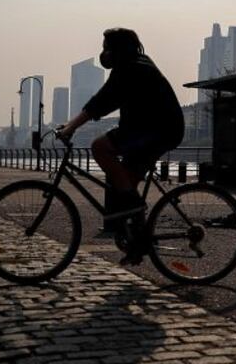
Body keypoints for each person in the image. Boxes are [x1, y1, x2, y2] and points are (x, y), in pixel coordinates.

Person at [56, 27, 184, 264]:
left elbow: (101, 102)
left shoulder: (131, 68)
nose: (103, 53)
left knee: (99, 147)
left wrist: (71, 127)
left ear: (118, 50)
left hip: (155, 129)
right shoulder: (135, 63)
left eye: (106, 48)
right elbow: (104, 101)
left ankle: (136, 209)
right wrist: (71, 124)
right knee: (126, 182)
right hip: (151, 128)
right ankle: (139, 241)